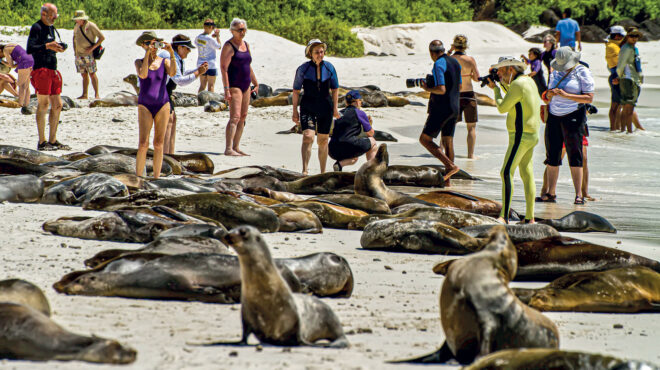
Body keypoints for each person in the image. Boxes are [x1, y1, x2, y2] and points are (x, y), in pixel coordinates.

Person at [486, 57, 540, 224]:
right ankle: (530, 217)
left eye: (501, 71)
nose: (499, 74)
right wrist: (499, 84)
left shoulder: (517, 84)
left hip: (520, 135)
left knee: (506, 172)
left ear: (511, 69)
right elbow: (514, 97)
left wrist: (495, 90)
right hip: (532, 135)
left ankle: (504, 216)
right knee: (526, 173)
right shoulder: (528, 81)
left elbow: (502, 108)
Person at [541, 47, 594, 205]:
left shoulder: (582, 71)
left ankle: (579, 194)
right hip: (554, 116)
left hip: (573, 116)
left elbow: (589, 98)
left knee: (575, 155)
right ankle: (551, 192)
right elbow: (547, 94)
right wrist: (550, 94)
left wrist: (567, 95)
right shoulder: (555, 70)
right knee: (552, 155)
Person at [292, 39, 340, 175]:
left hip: (326, 107)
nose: (320, 54)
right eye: (316, 52)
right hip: (308, 106)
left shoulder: (329, 68)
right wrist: (294, 110)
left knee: (323, 140)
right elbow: (295, 91)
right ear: (310, 54)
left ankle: (323, 172)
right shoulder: (303, 69)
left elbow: (335, 89)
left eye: (321, 51)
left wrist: (335, 109)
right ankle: (305, 170)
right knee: (308, 136)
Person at [26, 3, 70, 151]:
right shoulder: (36, 27)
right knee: (43, 104)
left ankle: (52, 140)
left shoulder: (52, 27)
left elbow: (52, 44)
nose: (55, 18)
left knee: (58, 105)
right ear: (44, 14)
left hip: (53, 68)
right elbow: (30, 48)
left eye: (56, 15)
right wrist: (47, 46)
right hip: (41, 69)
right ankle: (42, 141)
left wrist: (59, 47)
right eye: (53, 15)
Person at [134, 31, 176, 179]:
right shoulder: (139, 61)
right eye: (148, 43)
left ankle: (157, 177)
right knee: (143, 143)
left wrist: (171, 53)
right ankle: (139, 177)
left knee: (159, 143)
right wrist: (147, 54)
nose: (152, 46)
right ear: (142, 45)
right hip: (145, 104)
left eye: (154, 43)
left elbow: (173, 73)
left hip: (162, 103)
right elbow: (143, 74)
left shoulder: (163, 61)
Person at [157, 34, 208, 154]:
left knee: (172, 119)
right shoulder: (169, 56)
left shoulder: (175, 57)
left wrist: (198, 70)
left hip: (166, 91)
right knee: (168, 122)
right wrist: (198, 73)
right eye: (187, 48)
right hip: (160, 92)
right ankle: (165, 157)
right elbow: (180, 81)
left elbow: (182, 73)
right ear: (180, 47)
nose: (189, 51)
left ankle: (171, 155)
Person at [419, 40, 460, 184]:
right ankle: (448, 179)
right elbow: (458, 84)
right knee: (448, 141)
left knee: (424, 139)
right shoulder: (455, 62)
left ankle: (450, 166)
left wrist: (427, 88)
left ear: (431, 52)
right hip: (455, 106)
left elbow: (441, 89)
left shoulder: (438, 64)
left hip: (442, 107)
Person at [220, 18, 258, 156]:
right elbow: (224, 68)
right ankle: (228, 148)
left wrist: (256, 82)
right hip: (234, 85)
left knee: (243, 116)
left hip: (246, 84)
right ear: (232, 31)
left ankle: (236, 146)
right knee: (234, 117)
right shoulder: (229, 46)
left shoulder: (246, 44)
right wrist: (226, 89)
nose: (242, 32)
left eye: (244, 29)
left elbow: (248, 65)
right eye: (239, 30)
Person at [329, 90, 378, 171]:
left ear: (346, 102)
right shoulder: (359, 113)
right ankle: (372, 170)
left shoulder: (339, 113)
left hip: (332, 149)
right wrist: (370, 124)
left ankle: (339, 165)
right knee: (372, 142)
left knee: (354, 158)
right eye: (360, 101)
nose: (361, 103)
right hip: (348, 145)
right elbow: (370, 133)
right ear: (356, 102)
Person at [449, 34, 480, 159]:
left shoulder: (450, 59)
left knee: (450, 125)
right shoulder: (470, 60)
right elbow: (477, 78)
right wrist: (469, 75)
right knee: (471, 127)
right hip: (468, 94)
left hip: (455, 94)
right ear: (466, 46)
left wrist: (449, 50)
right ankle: (470, 155)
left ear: (454, 45)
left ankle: (444, 150)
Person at [616, 27, 644, 134]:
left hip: (632, 78)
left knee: (628, 108)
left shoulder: (633, 48)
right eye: (632, 36)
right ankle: (628, 132)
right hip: (628, 79)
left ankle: (625, 131)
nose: (634, 38)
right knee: (629, 108)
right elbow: (621, 65)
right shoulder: (626, 48)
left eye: (636, 36)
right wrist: (619, 77)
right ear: (627, 36)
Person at [71, 10, 104, 99]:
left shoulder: (91, 25)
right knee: (83, 74)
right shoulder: (76, 26)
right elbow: (74, 38)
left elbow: (102, 37)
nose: (76, 21)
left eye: (77, 19)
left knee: (92, 73)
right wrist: (75, 51)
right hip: (78, 54)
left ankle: (96, 94)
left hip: (89, 55)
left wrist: (92, 49)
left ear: (82, 19)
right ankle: (84, 94)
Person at [0, 43, 33, 109]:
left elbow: (11, 65)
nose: (2, 56)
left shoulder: (5, 50)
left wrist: (2, 61)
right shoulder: (11, 45)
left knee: (21, 85)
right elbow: (15, 63)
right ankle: (26, 104)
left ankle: (20, 103)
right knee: (26, 85)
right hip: (30, 59)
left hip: (23, 62)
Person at [195, 18, 221, 93]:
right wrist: (217, 36)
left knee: (202, 85)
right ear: (211, 27)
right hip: (211, 64)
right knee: (211, 86)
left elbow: (198, 43)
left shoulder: (198, 37)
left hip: (201, 63)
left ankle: (199, 101)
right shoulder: (210, 39)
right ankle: (210, 102)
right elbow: (219, 46)